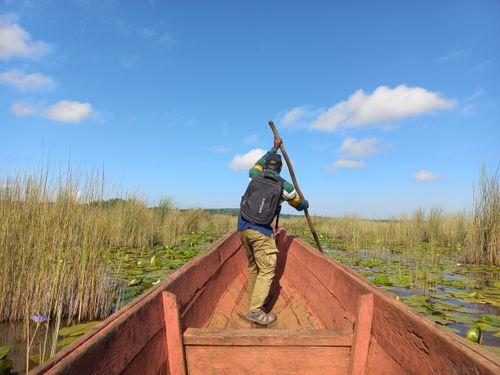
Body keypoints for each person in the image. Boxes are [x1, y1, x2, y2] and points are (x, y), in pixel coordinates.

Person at [238, 135, 308, 326]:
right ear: (280, 169)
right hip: (261, 231)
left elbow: (257, 163)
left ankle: (255, 297)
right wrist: (305, 204)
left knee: (253, 266)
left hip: (243, 228)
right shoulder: (285, 186)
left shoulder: (254, 174)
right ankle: (255, 310)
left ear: (266, 166)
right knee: (268, 269)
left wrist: (273, 149)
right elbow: (298, 204)